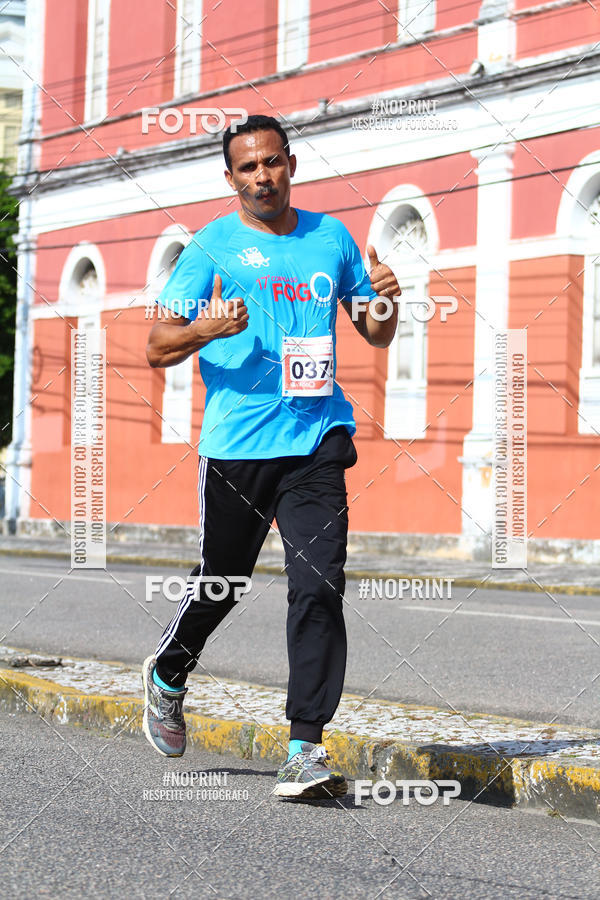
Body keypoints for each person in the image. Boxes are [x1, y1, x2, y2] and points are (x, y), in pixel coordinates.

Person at [142, 114, 400, 799]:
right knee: (225, 582)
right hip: (238, 448)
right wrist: (206, 327)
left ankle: (304, 747)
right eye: (247, 167)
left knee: (318, 585)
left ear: (292, 163)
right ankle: (169, 671)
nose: (262, 176)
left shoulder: (330, 238)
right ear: (231, 179)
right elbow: (156, 345)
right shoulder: (211, 249)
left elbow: (372, 332)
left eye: (272, 163)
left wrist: (386, 307)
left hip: (316, 440)